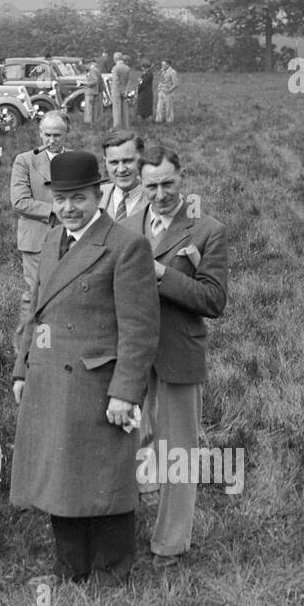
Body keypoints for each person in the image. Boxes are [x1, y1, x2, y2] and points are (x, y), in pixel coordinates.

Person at [11, 150, 160, 586]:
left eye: (78, 197)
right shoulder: (53, 239)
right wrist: (22, 368)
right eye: (61, 198)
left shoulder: (127, 245)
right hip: (49, 377)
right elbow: (34, 310)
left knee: (104, 477)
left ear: (99, 194)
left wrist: (125, 392)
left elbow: (140, 329)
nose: (69, 207)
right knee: (61, 477)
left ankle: (112, 570)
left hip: (97, 385)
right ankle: (70, 567)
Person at [131, 145, 228, 568]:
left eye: (168, 183)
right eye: (151, 185)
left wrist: (163, 276)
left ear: (182, 178)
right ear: (141, 184)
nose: (161, 194)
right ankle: (120, 528)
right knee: (128, 443)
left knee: (178, 453)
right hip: (129, 356)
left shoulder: (208, 231)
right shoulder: (125, 226)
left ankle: (170, 543)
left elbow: (214, 299)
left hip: (176, 354)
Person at [11, 112, 68, 313]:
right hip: (36, 239)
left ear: (66, 134)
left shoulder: (74, 160)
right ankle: (35, 341)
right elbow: (19, 202)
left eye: (57, 136)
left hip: (68, 238)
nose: (51, 140)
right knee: (37, 294)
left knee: (66, 292)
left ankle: (61, 339)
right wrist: (55, 210)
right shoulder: (25, 160)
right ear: (40, 134)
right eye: (47, 135)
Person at [100, 130, 149, 221]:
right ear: (105, 161)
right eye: (114, 162)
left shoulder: (159, 199)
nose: (121, 169)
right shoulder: (96, 197)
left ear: (143, 158)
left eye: (128, 161)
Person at [110, 53, 133, 129]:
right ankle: (126, 125)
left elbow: (116, 81)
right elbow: (129, 80)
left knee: (116, 109)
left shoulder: (115, 68)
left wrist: (119, 90)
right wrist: (125, 90)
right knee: (125, 109)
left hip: (116, 90)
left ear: (116, 59)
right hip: (125, 90)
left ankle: (117, 126)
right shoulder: (127, 68)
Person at [83, 55, 105, 127]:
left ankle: (89, 124)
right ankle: (94, 123)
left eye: (85, 65)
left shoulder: (93, 70)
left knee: (89, 109)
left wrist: (85, 83)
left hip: (91, 91)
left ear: (88, 63)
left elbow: (94, 81)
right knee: (94, 109)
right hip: (95, 91)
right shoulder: (97, 69)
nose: (85, 67)